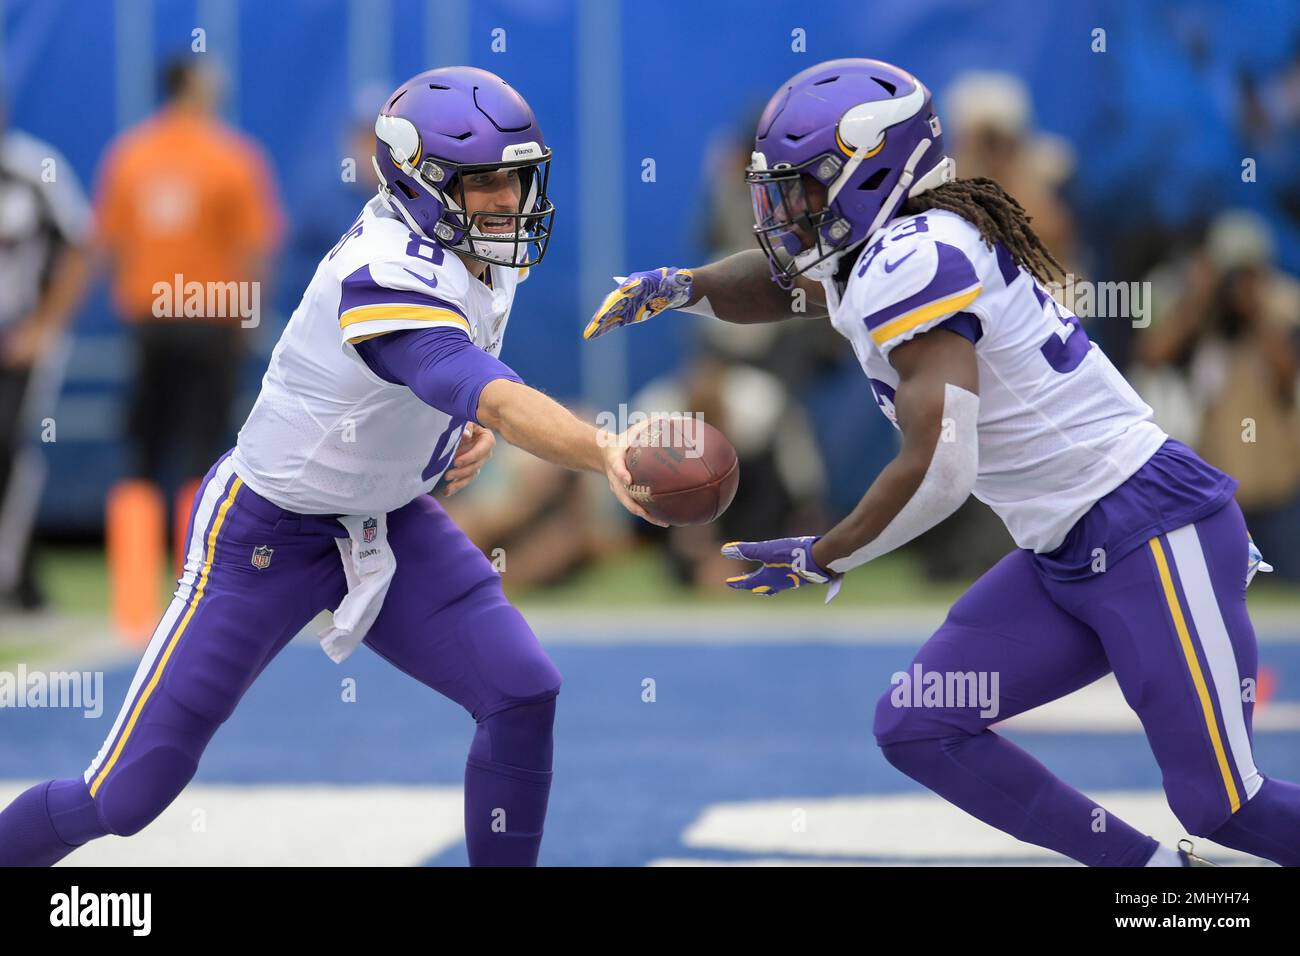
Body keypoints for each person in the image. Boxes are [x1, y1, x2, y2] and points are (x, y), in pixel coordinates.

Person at [585, 58, 1300, 866]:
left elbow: (942, 467)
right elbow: (785, 287)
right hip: (1068, 545)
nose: (787, 213)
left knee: (1222, 803)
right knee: (920, 723)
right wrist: (685, 285)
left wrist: (824, 555)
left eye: (806, 189)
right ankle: (1148, 873)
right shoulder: (885, 249)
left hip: (1148, 527)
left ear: (874, 172)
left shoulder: (909, 261)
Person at [0, 66, 658, 867]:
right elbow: (484, 388)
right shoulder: (382, 267)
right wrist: (605, 448)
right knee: (126, 796)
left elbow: (455, 382)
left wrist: (453, 427)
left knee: (523, 689)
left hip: (391, 519)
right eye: (482, 181)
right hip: (264, 536)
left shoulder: (482, 250)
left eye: (517, 177)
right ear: (419, 183)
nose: (507, 199)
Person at [0, 114, 93, 610]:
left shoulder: (33, 169)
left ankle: (15, 579)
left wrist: (42, 327)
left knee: (10, 448)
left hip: (17, 338)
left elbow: (82, 245)